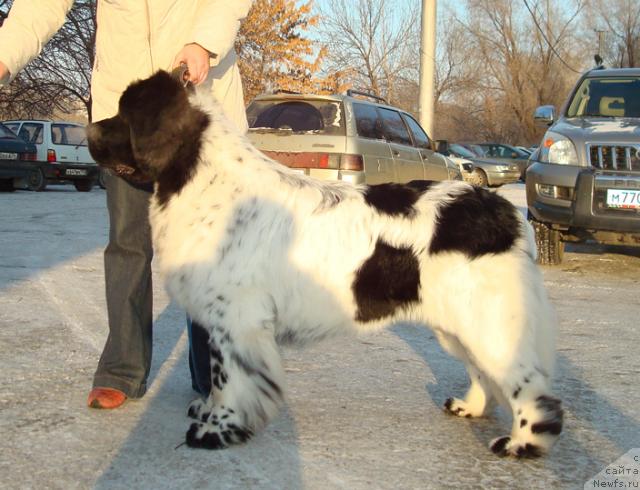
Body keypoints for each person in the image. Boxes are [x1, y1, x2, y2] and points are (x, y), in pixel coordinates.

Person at [0, 0, 252, 409]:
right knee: (127, 244)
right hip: (127, 118)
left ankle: (217, 370)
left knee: (210, 250)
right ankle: (121, 369)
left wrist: (204, 43)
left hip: (197, 106)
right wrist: (3, 55)